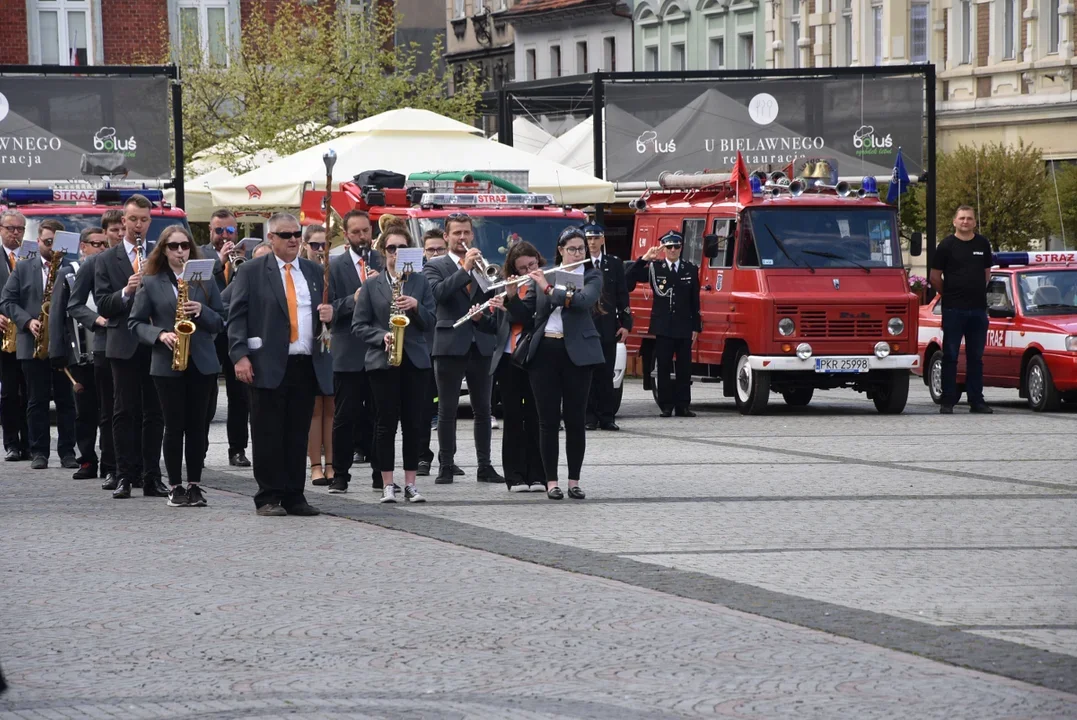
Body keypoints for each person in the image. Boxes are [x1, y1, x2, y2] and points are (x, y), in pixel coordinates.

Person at [228, 212, 334, 517]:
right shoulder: (252, 271)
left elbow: (330, 308)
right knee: (267, 431)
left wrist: (330, 313)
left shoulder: (313, 271)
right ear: (271, 238)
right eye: (286, 235)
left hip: (305, 361)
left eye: (297, 234)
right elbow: (236, 316)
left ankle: (293, 494)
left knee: (297, 431)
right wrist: (239, 355)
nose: (293, 240)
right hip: (267, 361)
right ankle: (268, 495)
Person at [129, 226, 225, 507]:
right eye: (173, 246)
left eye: (184, 245)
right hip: (167, 362)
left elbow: (220, 320)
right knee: (173, 426)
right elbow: (134, 323)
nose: (180, 251)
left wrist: (202, 311)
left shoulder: (204, 280)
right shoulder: (151, 280)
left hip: (202, 361)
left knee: (198, 427)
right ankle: (175, 486)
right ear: (163, 249)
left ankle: (195, 484)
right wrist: (160, 334)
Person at [352, 226, 436, 503]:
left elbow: (431, 322)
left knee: (414, 423)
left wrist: (415, 306)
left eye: (402, 248)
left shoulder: (420, 282)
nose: (396, 253)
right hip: (382, 361)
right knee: (384, 424)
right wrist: (383, 336)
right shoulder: (370, 285)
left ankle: (411, 483)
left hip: (415, 359)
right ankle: (387, 483)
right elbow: (358, 326)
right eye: (391, 248)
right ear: (383, 252)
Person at [519, 227, 604, 500]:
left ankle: (574, 481)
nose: (578, 253)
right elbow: (526, 311)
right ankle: (551, 482)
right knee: (548, 420)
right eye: (572, 249)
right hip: (545, 350)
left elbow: (582, 301)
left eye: (581, 248)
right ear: (561, 251)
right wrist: (509, 296)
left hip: (578, 352)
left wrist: (547, 286)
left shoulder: (592, 275)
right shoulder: (547, 275)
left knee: (575, 419)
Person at [423, 213, 504, 485]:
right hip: (449, 342)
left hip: (480, 342)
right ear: (446, 237)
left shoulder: (484, 266)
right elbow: (437, 294)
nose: (462, 238)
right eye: (456, 233)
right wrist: (464, 270)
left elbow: (494, 297)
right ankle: (446, 464)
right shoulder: (434, 266)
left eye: (466, 233)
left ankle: (485, 465)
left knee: (484, 408)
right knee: (447, 409)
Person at [95, 194, 167, 498]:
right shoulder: (105, 259)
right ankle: (124, 474)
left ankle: (152, 475)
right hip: (123, 343)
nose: (139, 225)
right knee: (123, 411)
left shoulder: (159, 255)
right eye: (133, 219)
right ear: (123, 221)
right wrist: (126, 290)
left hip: (154, 342)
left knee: (155, 412)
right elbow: (102, 304)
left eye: (144, 220)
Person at [0, 219, 77, 470]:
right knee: (36, 400)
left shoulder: (71, 268)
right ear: (38, 241)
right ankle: (39, 451)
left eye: (57, 243)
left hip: (63, 343)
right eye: (47, 242)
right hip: (31, 341)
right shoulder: (24, 267)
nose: (52, 247)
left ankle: (67, 452)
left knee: (66, 400)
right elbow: (7, 301)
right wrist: (27, 321)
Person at [49, 226, 111, 480]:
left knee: (109, 410)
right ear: (83, 247)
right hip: (81, 351)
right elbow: (57, 312)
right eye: (95, 244)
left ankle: (110, 462)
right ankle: (86, 460)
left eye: (104, 244)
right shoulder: (69, 273)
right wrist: (57, 352)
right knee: (84, 411)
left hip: (107, 350)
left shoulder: (110, 271)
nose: (100, 249)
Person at [329, 210, 382, 493]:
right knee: (344, 416)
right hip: (348, 352)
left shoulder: (383, 263)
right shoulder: (334, 267)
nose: (363, 237)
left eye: (366, 231)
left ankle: (380, 473)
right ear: (346, 236)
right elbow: (328, 311)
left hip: (378, 351)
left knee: (379, 415)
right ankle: (340, 474)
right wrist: (355, 298)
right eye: (357, 232)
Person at [626, 230, 701, 418]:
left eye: (676, 246)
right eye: (669, 247)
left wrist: (696, 327)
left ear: (681, 247)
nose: (673, 250)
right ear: (663, 248)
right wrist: (645, 258)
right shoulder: (655, 268)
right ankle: (666, 405)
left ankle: (683, 405)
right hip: (663, 326)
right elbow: (629, 277)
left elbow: (695, 301)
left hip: (684, 325)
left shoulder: (690, 269)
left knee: (684, 369)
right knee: (664, 368)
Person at [69, 221, 121, 489]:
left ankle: (134, 467)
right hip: (102, 344)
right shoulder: (93, 263)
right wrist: (97, 320)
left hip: (136, 343)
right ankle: (106, 465)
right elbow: (74, 304)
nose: (118, 235)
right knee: (104, 410)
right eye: (112, 231)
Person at [490, 241, 545, 492]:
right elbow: (497, 327)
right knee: (512, 418)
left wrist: (511, 299)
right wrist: (482, 316)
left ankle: (538, 474)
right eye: (522, 268)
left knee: (535, 417)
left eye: (532, 265)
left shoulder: (543, 287)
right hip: (508, 359)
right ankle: (514, 475)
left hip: (534, 358)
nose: (528, 271)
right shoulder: (505, 287)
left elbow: (525, 317)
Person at [930, 205, 994, 415]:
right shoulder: (946, 246)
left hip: (977, 311)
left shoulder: (983, 244)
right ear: (954, 221)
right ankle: (947, 401)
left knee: (976, 358)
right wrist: (948, 294)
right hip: (953, 310)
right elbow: (934, 276)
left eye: (969, 219)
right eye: (962, 218)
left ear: (975, 222)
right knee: (950, 355)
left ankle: (976, 401)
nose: (965, 222)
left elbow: (987, 274)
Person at [205, 208, 251, 467]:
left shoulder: (245, 257)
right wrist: (219, 262)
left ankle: (237, 449)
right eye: (219, 230)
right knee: (207, 394)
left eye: (230, 230)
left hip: (235, 333)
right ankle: (200, 447)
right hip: (210, 333)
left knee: (239, 395)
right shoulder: (201, 255)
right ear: (210, 232)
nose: (225, 235)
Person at [583, 223, 632, 431]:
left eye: (596, 238)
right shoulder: (579, 264)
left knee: (605, 374)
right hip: (585, 326)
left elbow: (622, 295)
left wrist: (626, 324)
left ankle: (607, 416)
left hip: (607, 327)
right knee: (587, 374)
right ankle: (589, 416)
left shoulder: (613, 263)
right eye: (588, 239)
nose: (592, 242)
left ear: (603, 239)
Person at [300, 224, 335, 486]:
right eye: (315, 245)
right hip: (308, 345)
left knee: (331, 407)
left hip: (333, 344)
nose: (320, 250)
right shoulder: (300, 270)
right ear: (305, 246)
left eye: (325, 245)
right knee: (314, 409)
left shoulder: (335, 272)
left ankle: (331, 463)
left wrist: (334, 310)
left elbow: (346, 302)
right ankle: (314, 465)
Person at [417, 228, 448, 476]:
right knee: (424, 405)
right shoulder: (420, 275)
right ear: (424, 252)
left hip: (447, 344)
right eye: (431, 250)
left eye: (440, 249)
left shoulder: (453, 269)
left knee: (444, 406)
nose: (436, 253)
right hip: (425, 345)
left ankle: (447, 459)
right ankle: (422, 456)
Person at [0, 209, 29, 461]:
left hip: (28, 332)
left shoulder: (31, 256)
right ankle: (11, 443)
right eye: (10, 228)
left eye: (20, 228)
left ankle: (30, 443)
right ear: (1, 230)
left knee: (30, 390)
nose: (15, 233)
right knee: (9, 392)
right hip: (4, 336)